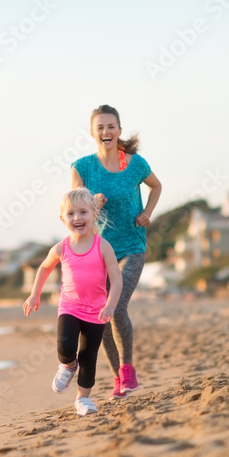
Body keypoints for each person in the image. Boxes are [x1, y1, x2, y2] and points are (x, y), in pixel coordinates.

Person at [70, 105, 162, 399]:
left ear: (119, 130)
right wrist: (91, 203)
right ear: (92, 133)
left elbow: (156, 186)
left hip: (132, 246)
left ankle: (128, 370)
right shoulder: (82, 167)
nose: (106, 132)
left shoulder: (135, 164)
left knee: (116, 307)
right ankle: (116, 378)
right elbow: (75, 209)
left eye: (111, 126)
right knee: (100, 316)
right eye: (100, 127)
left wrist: (147, 212)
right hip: (99, 251)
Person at [23, 188, 121, 416]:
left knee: (89, 356)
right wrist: (34, 294)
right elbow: (45, 267)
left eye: (83, 212)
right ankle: (67, 365)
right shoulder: (61, 247)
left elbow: (117, 279)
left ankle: (83, 399)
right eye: (71, 213)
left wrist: (111, 305)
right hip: (70, 307)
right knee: (65, 346)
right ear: (62, 219)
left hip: (97, 312)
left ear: (94, 214)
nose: (77, 218)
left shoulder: (102, 246)